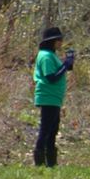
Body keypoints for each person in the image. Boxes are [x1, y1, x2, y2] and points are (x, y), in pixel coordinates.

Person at [33, 27, 74, 167]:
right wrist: (65, 65)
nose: (61, 42)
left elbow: (63, 70)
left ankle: (51, 163)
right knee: (46, 129)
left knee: (53, 130)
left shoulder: (51, 55)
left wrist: (68, 63)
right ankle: (40, 163)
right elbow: (51, 77)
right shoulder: (45, 56)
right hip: (47, 96)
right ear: (51, 41)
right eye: (59, 40)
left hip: (54, 98)